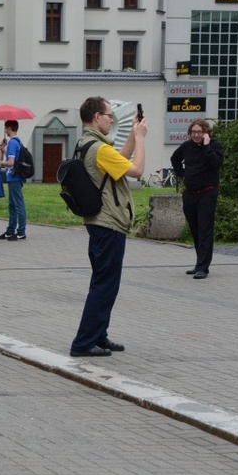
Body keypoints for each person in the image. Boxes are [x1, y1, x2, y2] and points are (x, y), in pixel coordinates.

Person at [69, 97, 147, 358]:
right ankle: (83, 343)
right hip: (108, 223)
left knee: (102, 282)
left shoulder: (86, 143)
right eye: (108, 115)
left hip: (98, 223)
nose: (112, 119)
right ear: (95, 117)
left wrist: (134, 135)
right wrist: (142, 138)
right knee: (104, 285)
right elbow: (136, 170)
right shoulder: (99, 149)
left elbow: (120, 160)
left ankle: (98, 335)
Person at [170, 119, 224, 280]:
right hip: (190, 193)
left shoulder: (214, 146)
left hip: (207, 193)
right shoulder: (187, 146)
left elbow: (217, 163)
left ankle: (203, 267)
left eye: (199, 132)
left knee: (205, 229)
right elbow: (175, 158)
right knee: (195, 229)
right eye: (193, 132)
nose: (196, 135)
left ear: (206, 132)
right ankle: (198, 263)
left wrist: (207, 146)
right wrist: (182, 174)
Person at [0, 120, 27, 241]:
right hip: (14, 177)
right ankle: (10, 230)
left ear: (9, 128)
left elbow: (11, 162)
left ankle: (21, 231)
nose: (5, 131)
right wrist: (4, 149)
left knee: (18, 204)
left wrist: (1, 163)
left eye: (5, 128)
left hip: (14, 177)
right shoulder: (16, 142)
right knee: (12, 205)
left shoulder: (13, 143)